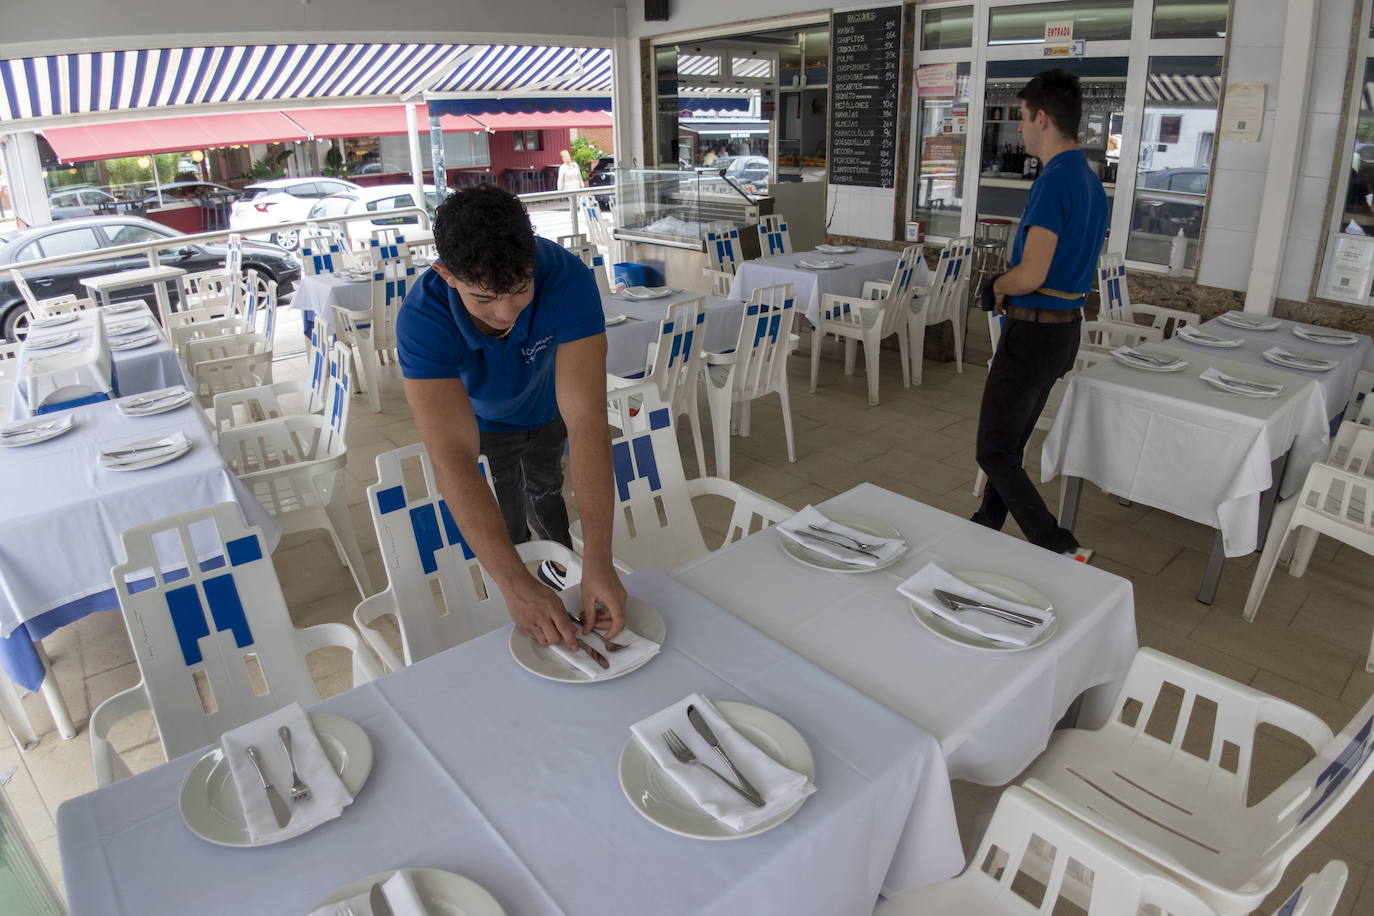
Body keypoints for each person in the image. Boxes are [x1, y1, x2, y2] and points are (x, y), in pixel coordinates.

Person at [397, 185, 626, 650]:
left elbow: (587, 425)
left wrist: (600, 559)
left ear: (533, 264)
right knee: (504, 519)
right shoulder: (422, 319)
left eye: (521, 290)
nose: (505, 312)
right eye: (483, 299)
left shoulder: (565, 277)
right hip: (482, 426)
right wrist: (513, 584)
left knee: (547, 489)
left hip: (548, 411)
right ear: (446, 274)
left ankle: (565, 570)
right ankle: (520, 588)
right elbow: (453, 457)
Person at [972, 68, 1107, 560]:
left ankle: (1059, 546)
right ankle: (984, 525)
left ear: (1043, 119)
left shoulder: (1054, 182)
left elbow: (1031, 273)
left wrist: (997, 284)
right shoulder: (1090, 181)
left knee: (993, 450)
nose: (1020, 129)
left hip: (1031, 335)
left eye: (1023, 119)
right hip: (1062, 333)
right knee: (1009, 445)